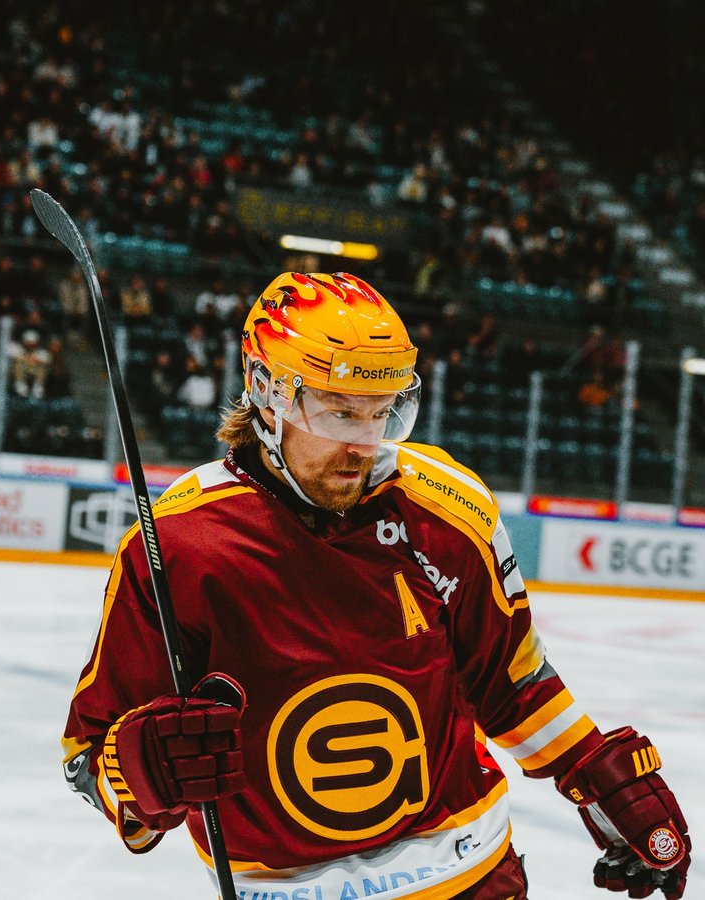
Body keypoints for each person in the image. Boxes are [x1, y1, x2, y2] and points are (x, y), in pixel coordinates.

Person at [62, 272, 690, 900]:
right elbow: (91, 757)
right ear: (264, 392)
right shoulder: (178, 545)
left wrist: (595, 771)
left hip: (467, 874)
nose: (364, 443)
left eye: (382, 413)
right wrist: (136, 772)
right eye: (338, 412)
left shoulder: (446, 507)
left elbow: (509, 680)